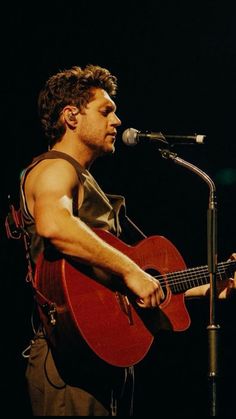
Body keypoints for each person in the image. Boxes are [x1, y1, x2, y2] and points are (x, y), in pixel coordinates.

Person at [18, 64, 236, 416]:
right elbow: (54, 224)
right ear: (71, 116)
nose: (117, 121)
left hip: (103, 358)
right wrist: (133, 271)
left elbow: (141, 283)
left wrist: (214, 283)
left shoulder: (87, 183)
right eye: (106, 111)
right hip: (68, 362)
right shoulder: (54, 169)